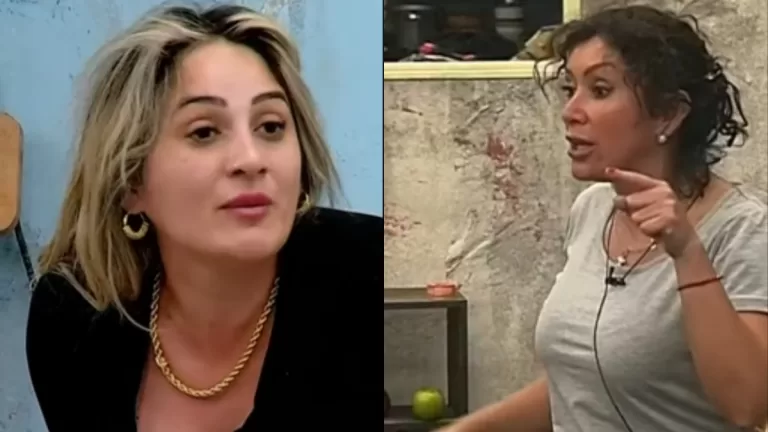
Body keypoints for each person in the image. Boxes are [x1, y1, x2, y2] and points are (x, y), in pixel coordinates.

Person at [25, 4, 381, 431]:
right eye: (204, 132)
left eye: (271, 126)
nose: (251, 159)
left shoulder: (369, 277)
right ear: (130, 182)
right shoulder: (75, 315)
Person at [442, 6, 767, 432]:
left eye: (599, 90)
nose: (570, 111)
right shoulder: (594, 208)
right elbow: (580, 388)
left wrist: (687, 251)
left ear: (668, 113)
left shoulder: (744, 229)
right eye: (568, 88)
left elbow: (748, 406)